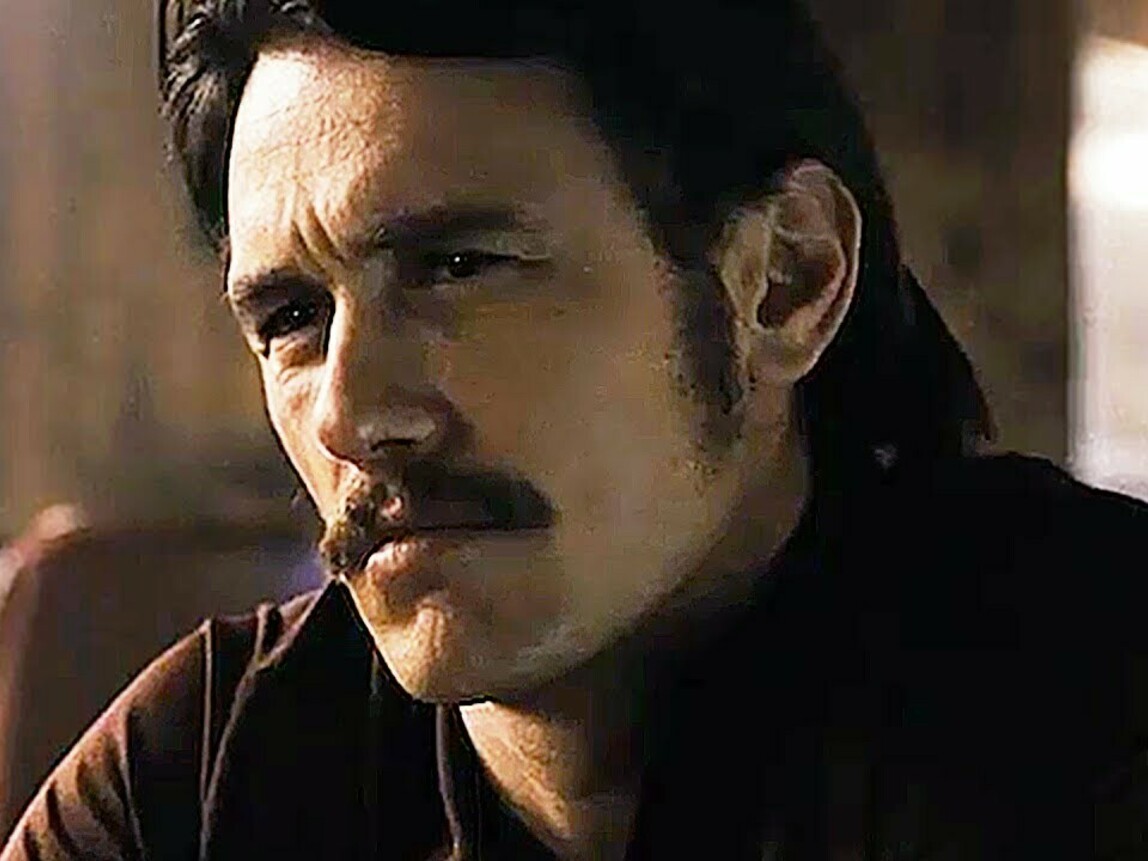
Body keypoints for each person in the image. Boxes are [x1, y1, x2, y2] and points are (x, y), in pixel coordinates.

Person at [4, 0, 1147, 858]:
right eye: (291, 319)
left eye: (457, 266)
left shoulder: (1095, 707)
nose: (350, 414)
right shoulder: (203, 778)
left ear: (780, 281)